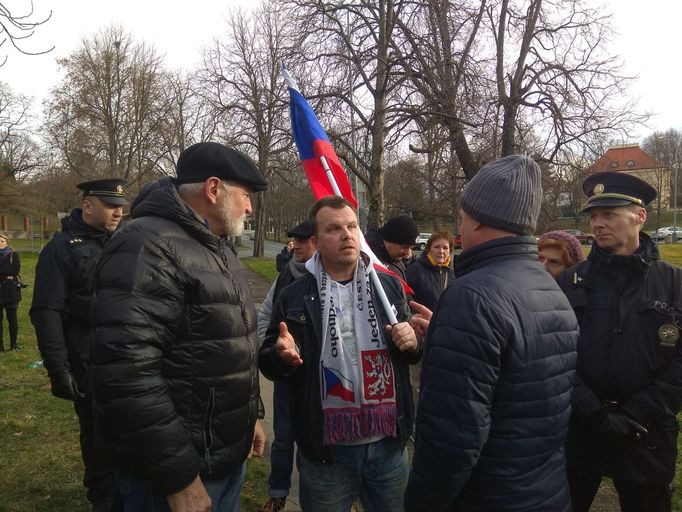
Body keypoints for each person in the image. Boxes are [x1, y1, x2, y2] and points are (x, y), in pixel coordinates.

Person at [91, 142, 268, 512]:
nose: (249, 208)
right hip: (173, 475)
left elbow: (225, 347)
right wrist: (179, 478)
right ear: (213, 189)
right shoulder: (146, 245)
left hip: (220, 458)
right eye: (246, 195)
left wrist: (249, 418)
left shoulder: (215, 246)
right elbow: (127, 372)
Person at [404, 155, 579, 512]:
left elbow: (451, 441)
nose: (459, 226)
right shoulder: (551, 289)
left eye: (462, 215)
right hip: (544, 492)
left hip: (487, 497)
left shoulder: (471, 297)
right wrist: (445, 328)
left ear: (479, 217)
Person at [259, 196, 422, 512]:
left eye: (352, 226)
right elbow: (269, 361)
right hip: (326, 454)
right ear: (316, 241)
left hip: (389, 445)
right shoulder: (294, 294)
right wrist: (280, 356)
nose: (347, 235)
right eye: (334, 229)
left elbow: (410, 355)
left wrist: (414, 343)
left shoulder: (388, 286)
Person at [556, 171, 682, 512]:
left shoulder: (673, 283)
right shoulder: (571, 281)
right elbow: (555, 353)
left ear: (639, 216)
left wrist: (639, 412)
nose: (598, 223)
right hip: (581, 430)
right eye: (594, 216)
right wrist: (592, 411)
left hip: (647, 434)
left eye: (609, 214)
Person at [30, 177, 128, 511]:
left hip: (129, 360)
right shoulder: (61, 248)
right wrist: (58, 369)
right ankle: (103, 499)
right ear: (87, 205)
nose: (119, 212)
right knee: (99, 442)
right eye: (111, 205)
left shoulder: (123, 242)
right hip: (88, 362)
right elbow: (46, 312)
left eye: (121, 206)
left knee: (131, 437)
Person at [257, 220, 316, 512]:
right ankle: (278, 491)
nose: (297, 245)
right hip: (286, 378)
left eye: (304, 240)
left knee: (312, 443)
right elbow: (267, 315)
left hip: (316, 382)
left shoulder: (328, 277)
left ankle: (312, 494)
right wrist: (270, 352)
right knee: (283, 438)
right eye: (295, 240)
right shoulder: (285, 276)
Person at [405, 231, 455, 312]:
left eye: (445, 248)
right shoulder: (414, 270)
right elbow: (406, 299)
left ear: (450, 251)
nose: (441, 251)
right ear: (429, 250)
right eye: (437, 247)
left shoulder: (454, 274)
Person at [365, 214, 419, 282]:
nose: (407, 253)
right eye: (404, 247)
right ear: (389, 240)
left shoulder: (395, 258)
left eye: (411, 248)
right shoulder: (369, 262)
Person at [0, 234, 21, 352]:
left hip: (11, 292)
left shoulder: (14, 255)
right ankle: (0, 346)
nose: (0, 243)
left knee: (12, 319)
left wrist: (7, 274)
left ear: (7, 243)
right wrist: (6, 274)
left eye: (2, 241)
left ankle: (13, 345)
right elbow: (8, 272)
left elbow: (15, 270)